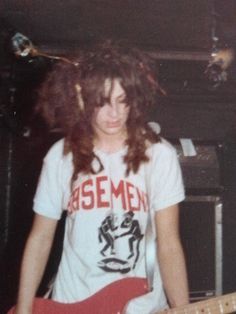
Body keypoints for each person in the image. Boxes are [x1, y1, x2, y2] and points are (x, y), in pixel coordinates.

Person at [14, 40, 189, 314]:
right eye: (103, 103)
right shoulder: (61, 156)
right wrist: (24, 310)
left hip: (143, 306)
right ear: (82, 98)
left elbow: (168, 242)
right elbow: (40, 238)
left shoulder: (159, 155)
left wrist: (183, 308)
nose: (115, 114)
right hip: (71, 303)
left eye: (123, 101)